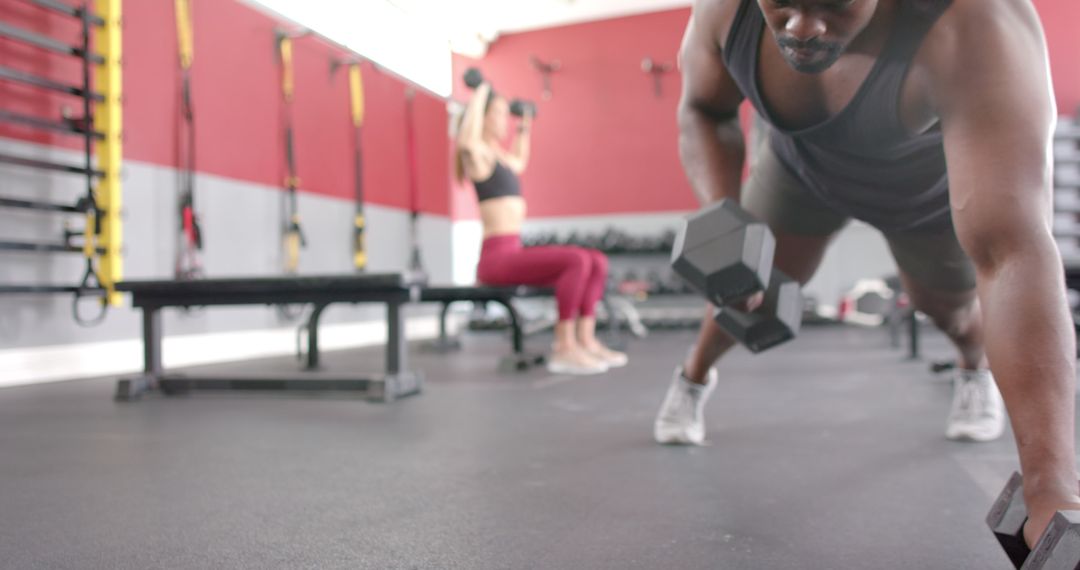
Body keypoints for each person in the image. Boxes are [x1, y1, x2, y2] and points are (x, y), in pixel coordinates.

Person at [654, 0, 1080, 547]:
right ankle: (692, 378)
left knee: (947, 309)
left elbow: (1011, 252)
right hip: (800, 170)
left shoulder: (976, 24)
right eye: (783, 2)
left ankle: (972, 368)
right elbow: (703, 110)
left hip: (919, 198)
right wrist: (723, 215)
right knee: (742, 292)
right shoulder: (725, 10)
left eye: (833, 4)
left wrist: (1052, 484)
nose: (803, 27)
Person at [456, 79, 628, 375]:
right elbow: (466, 142)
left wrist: (524, 124)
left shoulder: (505, 159)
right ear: (481, 116)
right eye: (496, 113)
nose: (502, 120)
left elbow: (521, 158)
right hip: (496, 260)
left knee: (596, 260)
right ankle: (563, 348)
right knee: (576, 260)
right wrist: (481, 90)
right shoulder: (479, 158)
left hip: (514, 251)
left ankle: (584, 340)